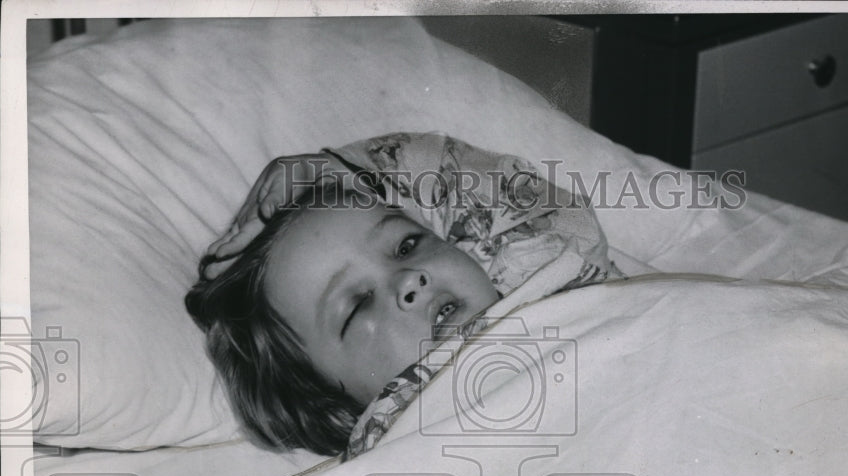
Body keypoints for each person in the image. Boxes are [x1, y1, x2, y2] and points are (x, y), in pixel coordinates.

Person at [186, 132, 619, 457]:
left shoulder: (546, 281)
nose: (409, 279)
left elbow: (489, 188)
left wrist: (348, 168)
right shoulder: (388, 452)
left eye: (407, 246)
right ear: (338, 410)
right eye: (358, 304)